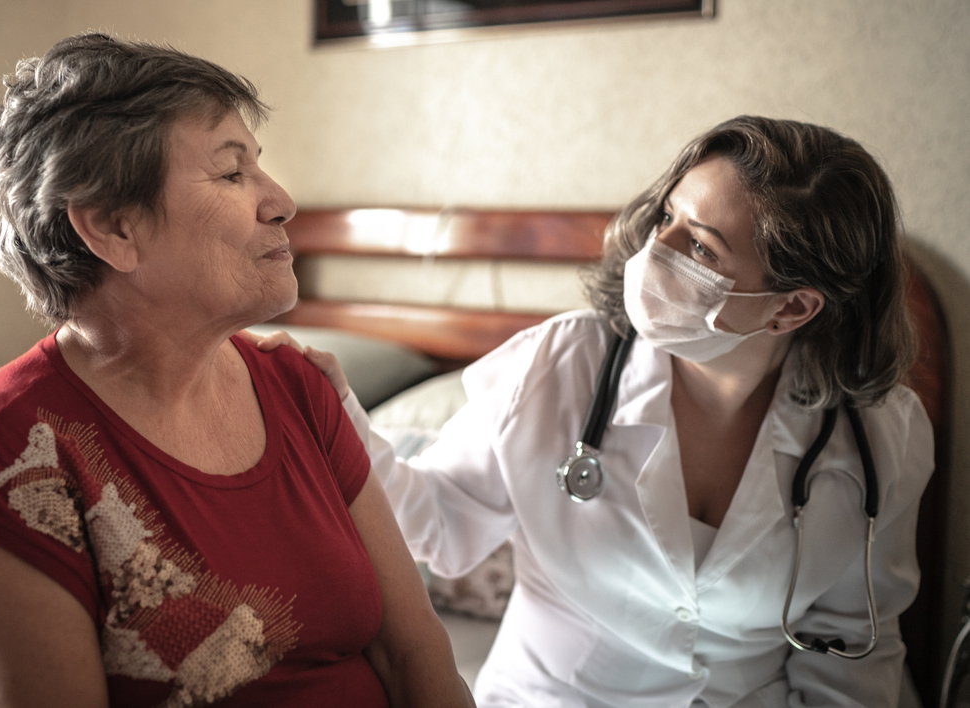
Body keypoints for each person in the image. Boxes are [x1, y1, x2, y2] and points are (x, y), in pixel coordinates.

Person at [0, 33, 473, 708]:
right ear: (112, 229)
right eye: (230, 173)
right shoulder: (10, 454)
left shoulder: (300, 389)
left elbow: (414, 654)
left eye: (259, 166)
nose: (280, 201)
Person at [278, 116, 933, 707]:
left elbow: (853, 647)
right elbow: (438, 525)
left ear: (790, 308)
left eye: (700, 248)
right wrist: (335, 411)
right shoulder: (560, 365)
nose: (655, 250)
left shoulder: (878, 437)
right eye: (665, 219)